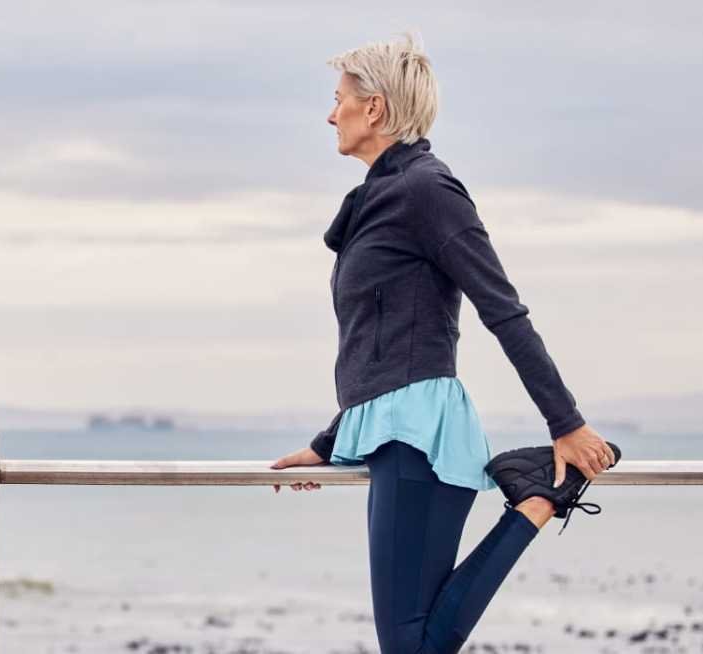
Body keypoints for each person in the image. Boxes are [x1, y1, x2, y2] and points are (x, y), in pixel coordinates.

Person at [266, 32, 621, 652]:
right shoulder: (378, 197)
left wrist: (566, 423)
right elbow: (377, 336)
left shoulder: (428, 191)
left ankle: (538, 498)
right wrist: (330, 444)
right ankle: (535, 493)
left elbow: (502, 309)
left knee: (408, 647)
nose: (330, 114)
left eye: (338, 99)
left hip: (418, 435)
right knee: (416, 643)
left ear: (373, 108)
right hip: (392, 434)